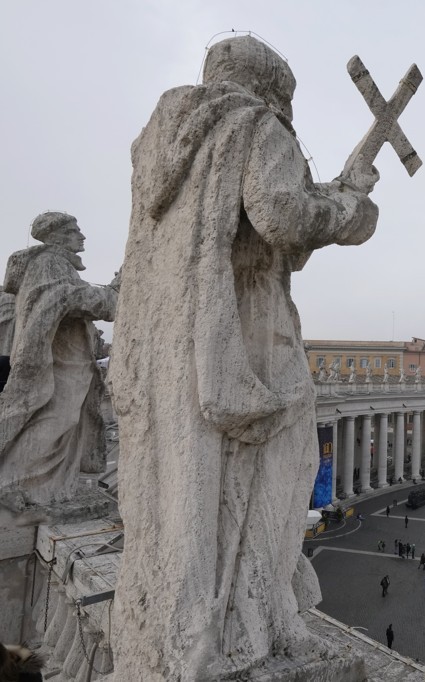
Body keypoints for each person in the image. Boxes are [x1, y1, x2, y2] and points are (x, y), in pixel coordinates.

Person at [109, 38, 377, 678]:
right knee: (283, 464)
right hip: (248, 325)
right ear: (273, 90)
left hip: (173, 336)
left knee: (184, 482)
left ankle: (189, 626)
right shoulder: (255, 123)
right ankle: (259, 613)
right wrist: (349, 205)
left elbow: (258, 227)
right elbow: (282, 216)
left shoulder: (165, 142)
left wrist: (338, 186)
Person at [0, 212, 118, 505]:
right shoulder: (48, 263)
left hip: (67, 360)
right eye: (74, 231)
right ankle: (21, 484)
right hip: (60, 363)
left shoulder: (58, 264)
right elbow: (67, 299)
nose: (82, 237)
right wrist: (114, 294)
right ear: (55, 236)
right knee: (56, 420)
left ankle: (51, 488)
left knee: (64, 422)